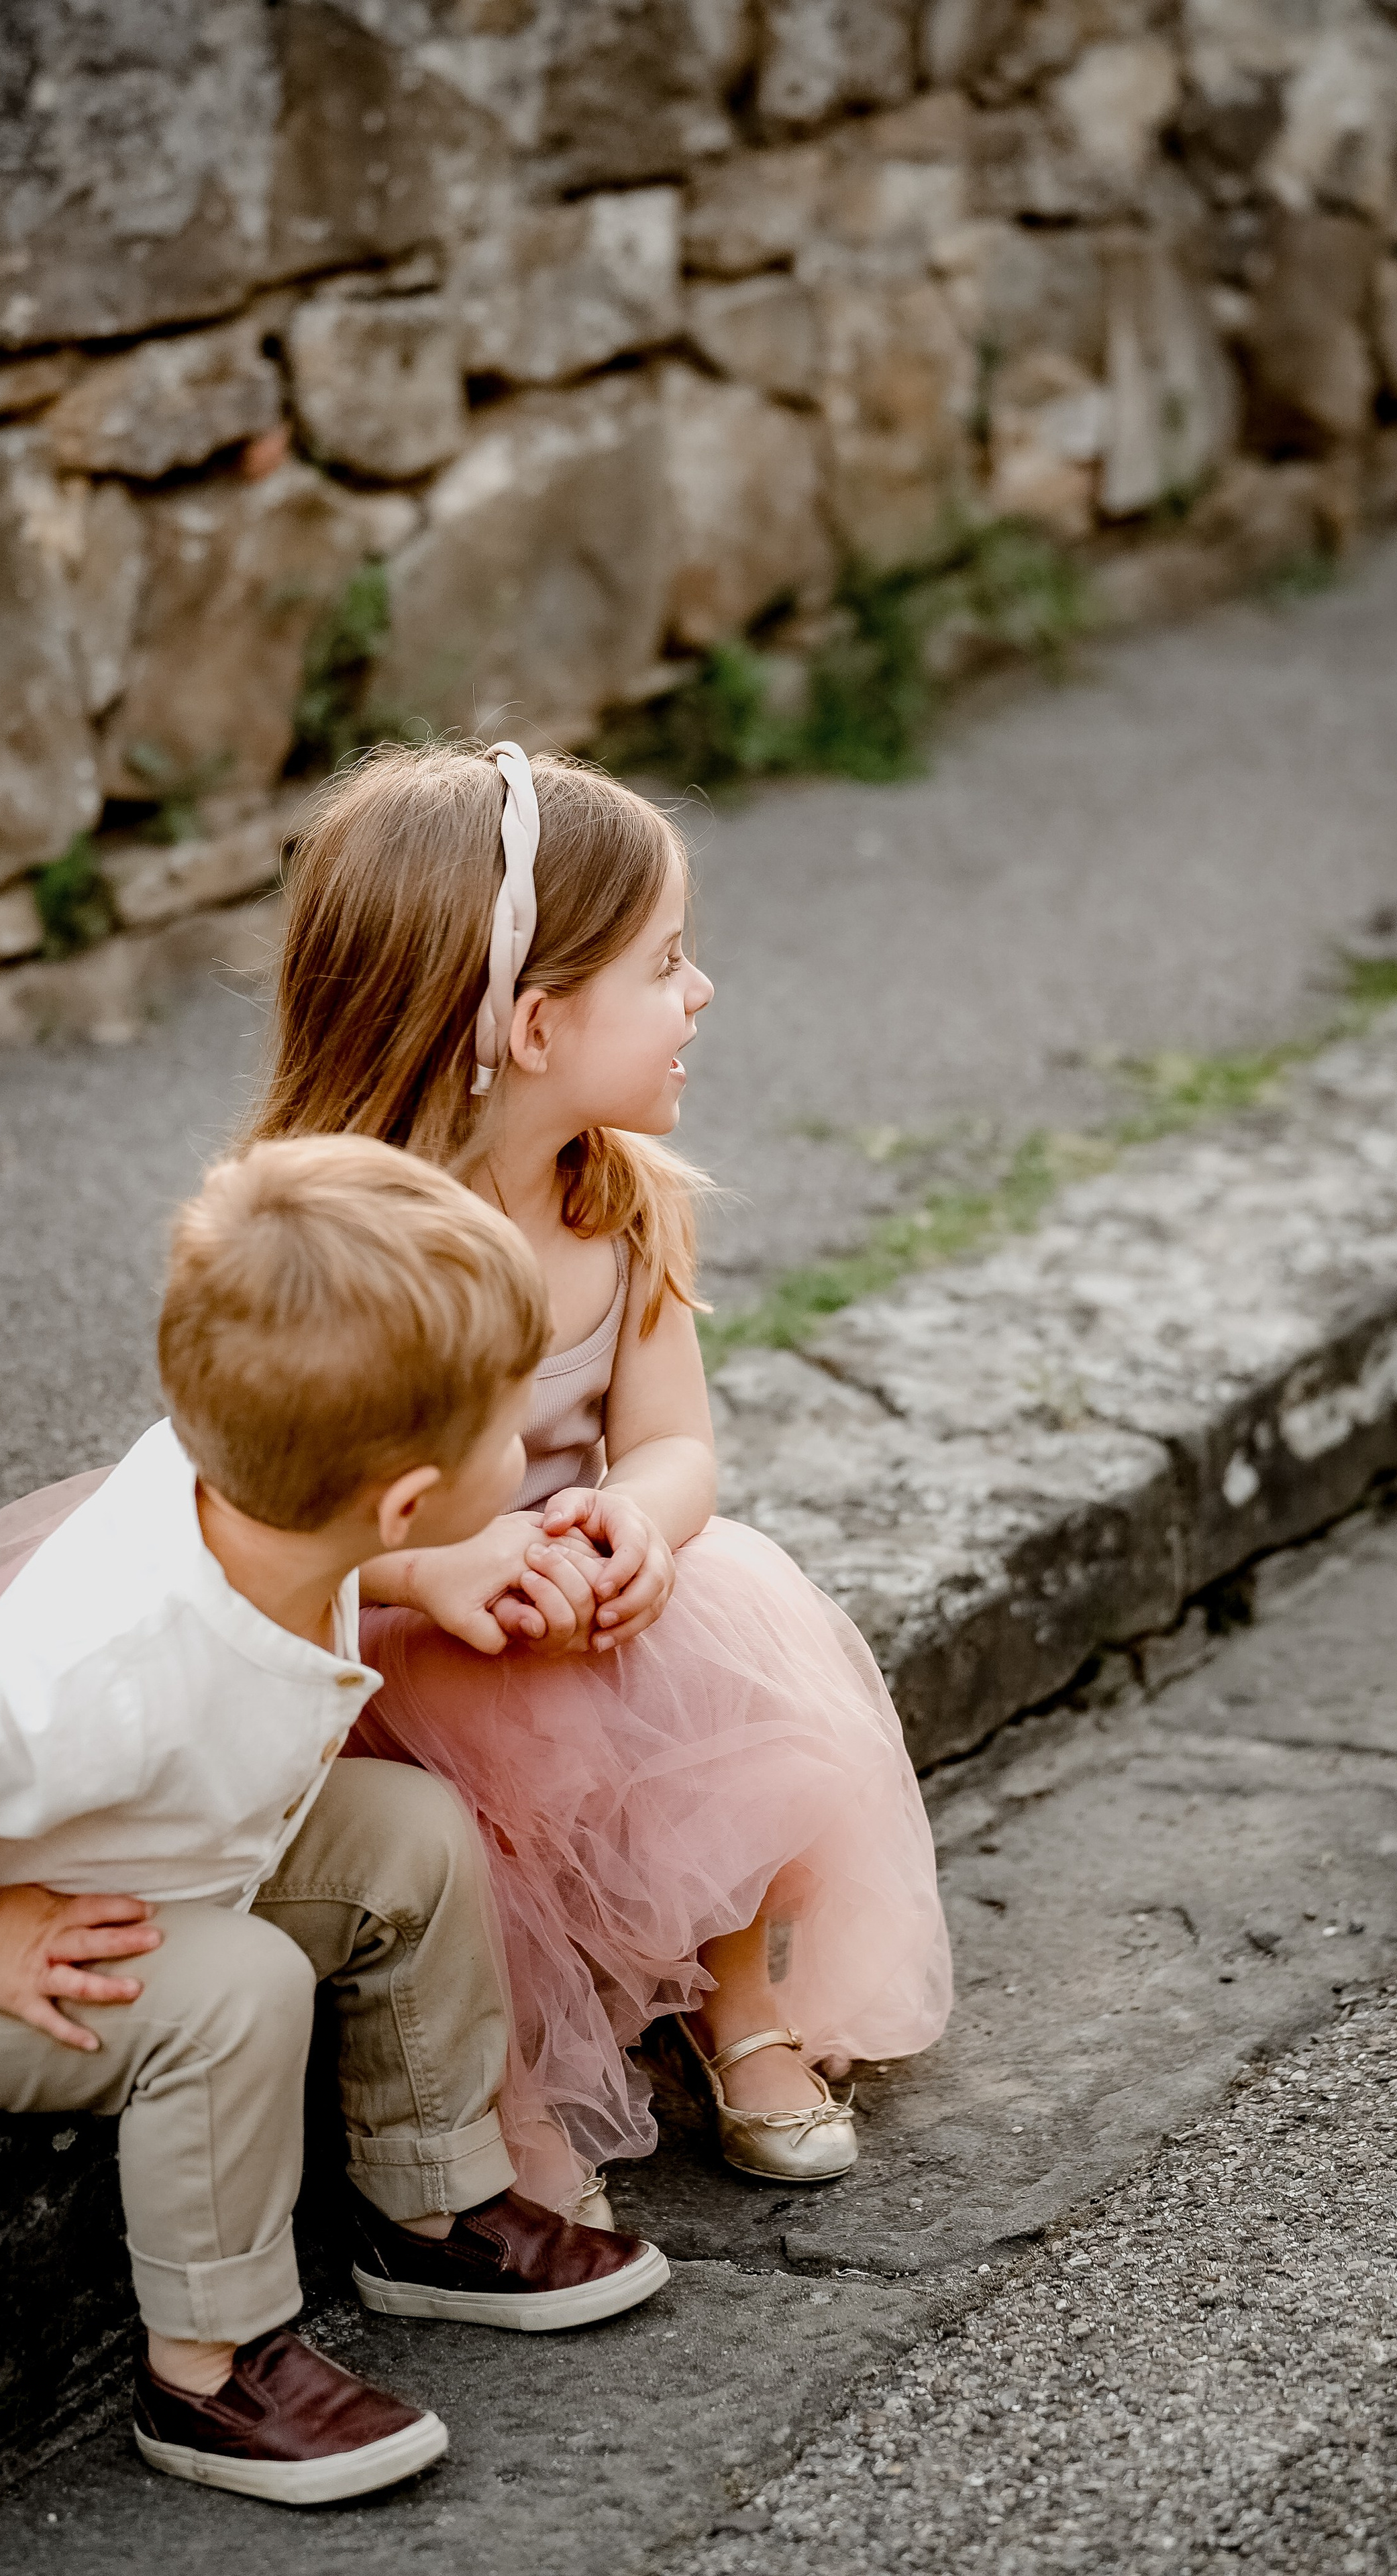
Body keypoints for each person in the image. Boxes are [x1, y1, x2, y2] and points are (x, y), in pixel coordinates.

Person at [0, 1137, 670, 2509]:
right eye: (506, 1424)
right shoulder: (94, 1659)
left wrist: (421, 1575)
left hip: (175, 1859)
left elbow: (338, 1554)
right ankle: (209, 2363)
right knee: (237, 1989)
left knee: (411, 1834)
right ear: (405, 1493)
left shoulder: (282, 1503)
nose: (523, 1445)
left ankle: (433, 2204)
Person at [248, 740, 953, 2222]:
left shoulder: (615, 1201)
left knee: (728, 1650)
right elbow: (255, 1531)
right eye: (669, 963)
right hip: (408, 1636)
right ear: (537, 1020)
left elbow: (674, 1445)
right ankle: (500, 2091)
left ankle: (734, 1999)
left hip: (586, 1599)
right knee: (475, 1806)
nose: (701, 993)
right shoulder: (336, 1253)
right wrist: (436, 1570)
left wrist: (635, 1522)